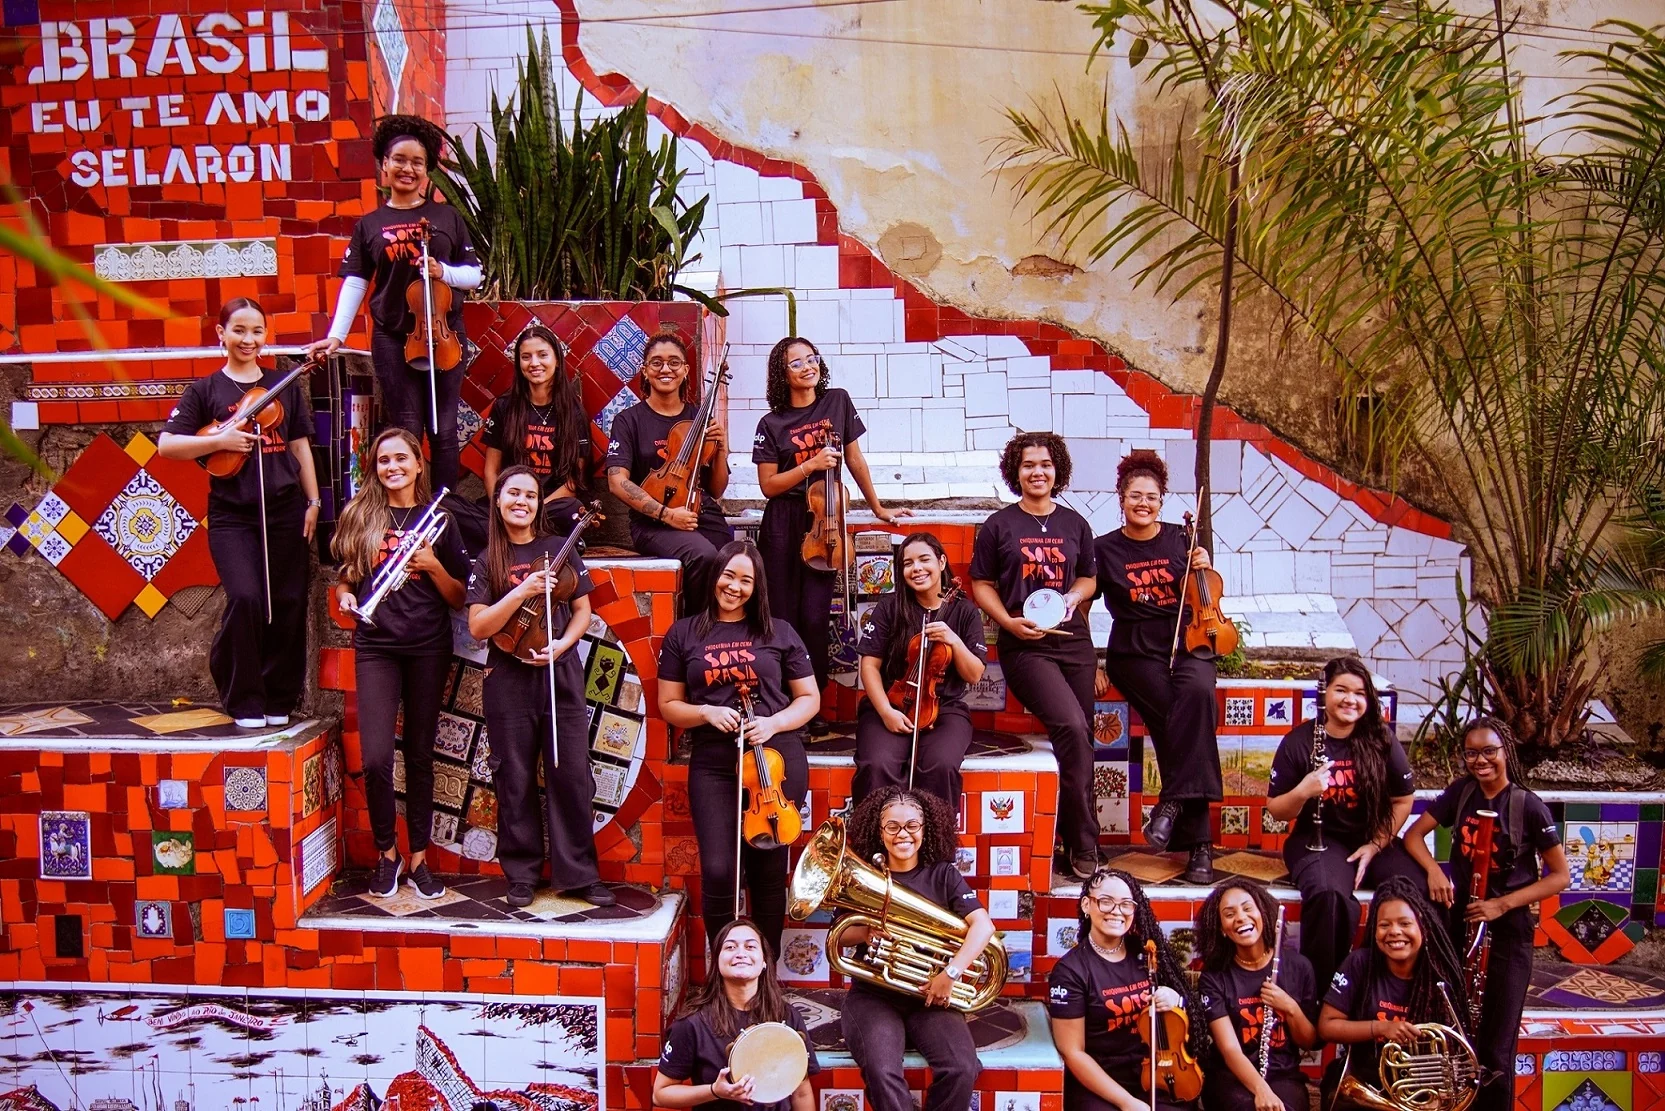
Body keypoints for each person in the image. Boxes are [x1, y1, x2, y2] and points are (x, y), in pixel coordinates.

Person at [159, 298, 321, 729]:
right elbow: (168, 445)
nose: (249, 340)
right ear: (221, 334)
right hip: (233, 514)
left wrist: (313, 502)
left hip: (286, 508)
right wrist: (218, 442)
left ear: (265, 336)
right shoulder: (205, 390)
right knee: (247, 597)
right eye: (240, 331)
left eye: (257, 332)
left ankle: (278, 696)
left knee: (286, 603)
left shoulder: (282, 383)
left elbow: (300, 445)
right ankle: (241, 693)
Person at [657, 541, 820, 954]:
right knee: (718, 870)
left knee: (767, 869)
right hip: (714, 761)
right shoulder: (684, 633)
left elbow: (809, 699)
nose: (735, 586)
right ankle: (726, 971)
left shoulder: (777, 631)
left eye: (746, 579)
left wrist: (773, 722)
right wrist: (706, 713)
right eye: (729, 575)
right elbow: (668, 706)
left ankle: (763, 972)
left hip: (775, 759)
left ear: (757, 586)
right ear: (714, 576)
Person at [464, 466, 613, 909]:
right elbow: (478, 627)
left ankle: (580, 874)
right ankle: (522, 873)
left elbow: (583, 610)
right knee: (514, 776)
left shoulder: (558, 549)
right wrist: (520, 591)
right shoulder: (487, 559)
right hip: (507, 676)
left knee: (570, 774)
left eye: (530, 494)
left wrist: (564, 644)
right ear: (498, 500)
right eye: (513, 493)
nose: (522, 501)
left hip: (558, 672)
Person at [308, 114, 482, 490]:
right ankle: (408, 508)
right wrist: (336, 336)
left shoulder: (447, 217)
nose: (408, 168)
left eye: (417, 162)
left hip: (445, 333)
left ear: (427, 170)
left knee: (445, 429)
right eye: (399, 160)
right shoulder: (369, 224)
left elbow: (474, 274)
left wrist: (442, 272)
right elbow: (356, 281)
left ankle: (445, 509)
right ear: (384, 166)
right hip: (392, 336)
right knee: (406, 425)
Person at [1405, 717, 1569, 1111]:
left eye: (1489, 751)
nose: (1480, 761)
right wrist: (1433, 870)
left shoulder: (1528, 805)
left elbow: (1560, 877)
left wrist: (1502, 903)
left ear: (1506, 751)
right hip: (1462, 924)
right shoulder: (1460, 793)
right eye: (1471, 753)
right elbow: (1412, 837)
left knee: (1497, 1048)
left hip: (1509, 932)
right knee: (1459, 1032)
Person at [331, 427, 468, 900]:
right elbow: (345, 581)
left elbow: (458, 598)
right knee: (374, 758)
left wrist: (432, 566)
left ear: (417, 463)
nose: (392, 467)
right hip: (377, 647)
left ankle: (420, 860)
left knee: (421, 755)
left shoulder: (442, 519)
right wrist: (348, 599)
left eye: (400, 458)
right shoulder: (360, 516)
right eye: (383, 460)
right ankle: (387, 854)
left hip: (429, 647)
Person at [969, 431, 1100, 880]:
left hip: (1076, 644)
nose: (1037, 472)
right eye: (1028, 465)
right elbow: (981, 583)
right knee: (1070, 724)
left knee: (1083, 737)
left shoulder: (1075, 524)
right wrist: (1006, 622)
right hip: (1026, 646)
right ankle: (1084, 840)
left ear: (1056, 470)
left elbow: (1089, 578)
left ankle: (1071, 832)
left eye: (1045, 464)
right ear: (1015, 472)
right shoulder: (999, 526)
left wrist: (1071, 598)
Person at [752, 336, 906, 709]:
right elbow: (768, 486)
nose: (808, 366)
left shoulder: (836, 400)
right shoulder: (771, 423)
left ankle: (812, 705)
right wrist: (808, 465)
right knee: (782, 616)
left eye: (812, 358)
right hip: (782, 524)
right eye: (797, 363)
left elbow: (854, 461)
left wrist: (879, 508)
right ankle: (780, 703)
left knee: (816, 617)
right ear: (781, 374)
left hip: (826, 523)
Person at [1094, 450, 1221, 883]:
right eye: (1134, 496)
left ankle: (1170, 805)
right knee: (1176, 718)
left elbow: (1205, 594)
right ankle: (1200, 849)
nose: (1142, 503)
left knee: (1198, 697)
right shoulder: (1104, 549)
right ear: (1121, 498)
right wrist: (1090, 660)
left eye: (1151, 496)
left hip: (1188, 641)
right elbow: (1076, 606)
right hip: (1134, 651)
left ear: (1162, 500)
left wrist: (1203, 567)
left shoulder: (1181, 540)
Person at [1265, 655, 1427, 992]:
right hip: (1318, 841)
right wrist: (1303, 790)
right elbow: (1277, 809)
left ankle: (1396, 984)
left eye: (1359, 693)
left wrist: (1377, 843)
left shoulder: (1381, 740)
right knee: (1329, 896)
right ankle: (1325, 994)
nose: (1350, 699)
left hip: (1373, 839)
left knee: (1419, 890)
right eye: (1341, 690)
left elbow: (1403, 799)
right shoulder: (1299, 741)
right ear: (1324, 696)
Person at [839, 788, 994, 1111]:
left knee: (962, 1069)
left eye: (912, 825)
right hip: (874, 995)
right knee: (882, 1073)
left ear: (926, 829)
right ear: (879, 832)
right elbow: (839, 936)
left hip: (932, 993)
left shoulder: (944, 875)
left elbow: (984, 927)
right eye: (892, 827)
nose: (903, 834)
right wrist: (866, 932)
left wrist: (950, 974)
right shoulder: (865, 877)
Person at [1048, 868, 1207, 1111]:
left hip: (1155, 1075)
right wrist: (1127, 1103)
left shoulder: (1146, 954)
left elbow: (1184, 1013)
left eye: (1126, 904)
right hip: (1101, 1082)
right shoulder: (1070, 971)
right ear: (1085, 905)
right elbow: (1073, 1053)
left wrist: (1176, 999)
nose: (1116, 911)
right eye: (1105, 902)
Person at [853, 532, 987, 812]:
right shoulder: (890, 608)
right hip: (891, 703)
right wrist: (886, 712)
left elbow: (974, 674)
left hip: (945, 708)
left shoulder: (965, 612)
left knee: (941, 765)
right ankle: (874, 848)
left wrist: (954, 640)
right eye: (907, 563)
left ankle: (935, 852)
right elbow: (869, 666)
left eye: (924, 560)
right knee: (877, 764)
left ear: (941, 562)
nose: (916, 569)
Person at [1316, 876, 1473, 1106]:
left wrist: (1440, 1096)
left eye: (1405, 923)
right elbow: (1326, 1026)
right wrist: (1381, 1027)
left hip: (1421, 1089)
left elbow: (1455, 1049)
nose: (1394, 932)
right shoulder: (1360, 963)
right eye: (1384, 925)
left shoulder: (1440, 972)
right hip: (1366, 1079)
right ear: (1374, 929)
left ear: (1423, 925)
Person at [606, 332, 733, 608]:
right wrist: (667, 515)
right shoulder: (628, 421)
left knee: (736, 560)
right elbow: (617, 482)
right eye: (657, 363)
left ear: (686, 371)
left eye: (674, 363)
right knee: (704, 556)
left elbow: (716, 488)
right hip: (652, 522)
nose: (666, 369)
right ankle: (697, 631)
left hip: (700, 511)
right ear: (645, 370)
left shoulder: (698, 417)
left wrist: (721, 449)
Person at [653, 917, 819, 1111]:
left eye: (750, 947)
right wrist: (714, 1091)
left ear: (765, 961)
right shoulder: (692, 1023)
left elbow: (801, 1091)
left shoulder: (787, 1016)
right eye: (730, 947)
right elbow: (660, 1094)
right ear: (716, 961)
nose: (741, 953)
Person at [1196, 880, 1319, 1111]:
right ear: (1222, 928)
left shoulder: (1299, 967)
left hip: (1283, 1075)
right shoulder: (1214, 978)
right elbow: (1230, 1050)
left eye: (1247, 908)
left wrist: (1290, 1007)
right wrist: (1261, 1089)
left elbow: (1309, 1041)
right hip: (1231, 1077)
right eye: (1229, 914)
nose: (1241, 917)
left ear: (1262, 912)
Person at [481, 323, 592, 519]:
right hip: (509, 503)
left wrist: (534, 511)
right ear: (519, 364)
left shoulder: (573, 412)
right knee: (451, 507)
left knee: (571, 508)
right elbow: (491, 470)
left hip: (550, 506)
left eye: (542, 355)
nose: (534, 363)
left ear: (557, 360)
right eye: (526, 357)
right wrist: (500, 507)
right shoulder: (504, 407)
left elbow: (573, 481)